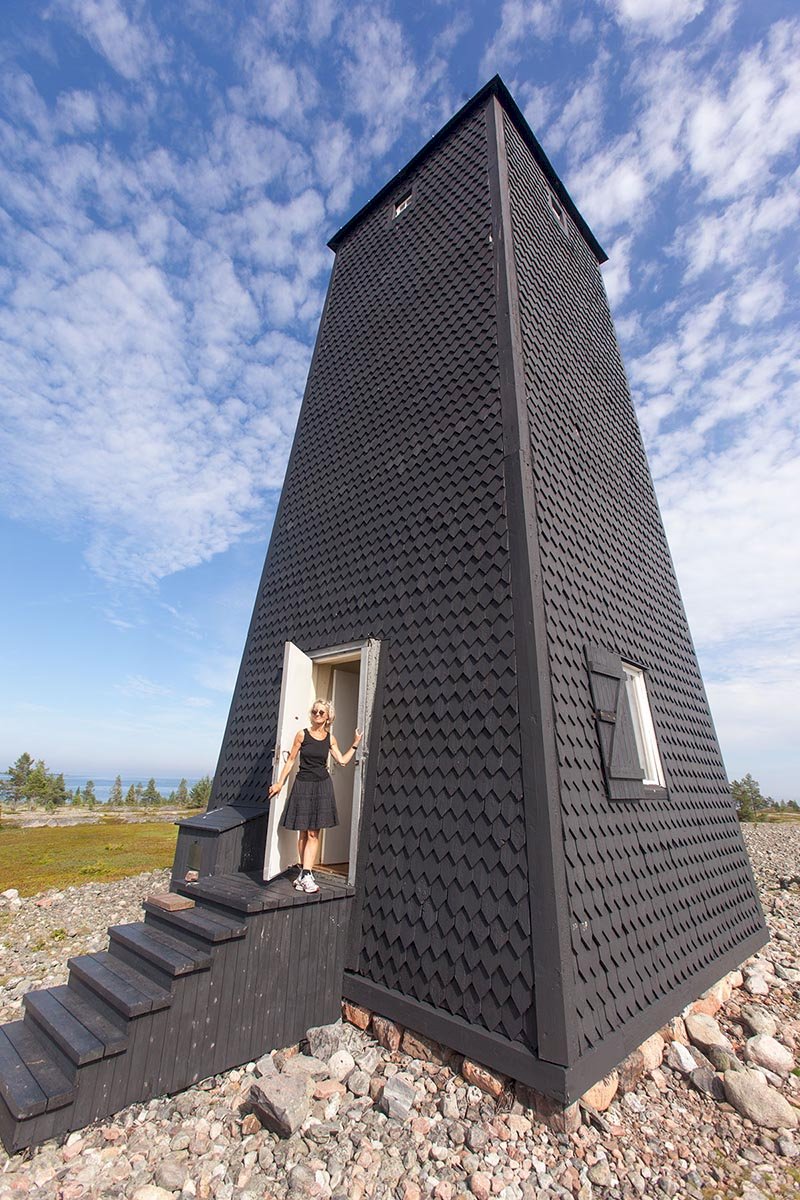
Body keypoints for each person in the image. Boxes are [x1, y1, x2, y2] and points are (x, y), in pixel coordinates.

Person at [268, 699, 362, 893]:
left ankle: (307, 874)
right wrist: (279, 783)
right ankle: (304, 873)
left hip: (322, 785)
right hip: (303, 784)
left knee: (313, 832)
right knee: (303, 831)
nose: (317, 715)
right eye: (315, 711)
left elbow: (342, 761)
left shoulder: (330, 739)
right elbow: (291, 760)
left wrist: (355, 745)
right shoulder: (302, 735)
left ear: (328, 717)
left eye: (321, 713)